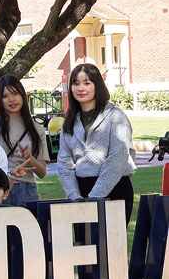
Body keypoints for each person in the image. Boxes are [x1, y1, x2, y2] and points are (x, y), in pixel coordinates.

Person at [57, 63, 136, 223]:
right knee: (83, 246)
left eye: (87, 82)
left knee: (111, 247)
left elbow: (117, 159)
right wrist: (75, 197)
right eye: (75, 83)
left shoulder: (115, 117)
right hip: (80, 193)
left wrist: (94, 197)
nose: (81, 88)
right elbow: (64, 163)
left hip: (114, 189)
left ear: (97, 85)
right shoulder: (69, 122)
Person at [0, 75, 49, 206]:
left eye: (15, 93)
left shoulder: (37, 130)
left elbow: (42, 172)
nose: (11, 99)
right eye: (5, 96)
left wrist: (29, 157)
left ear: (23, 95)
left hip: (26, 190)